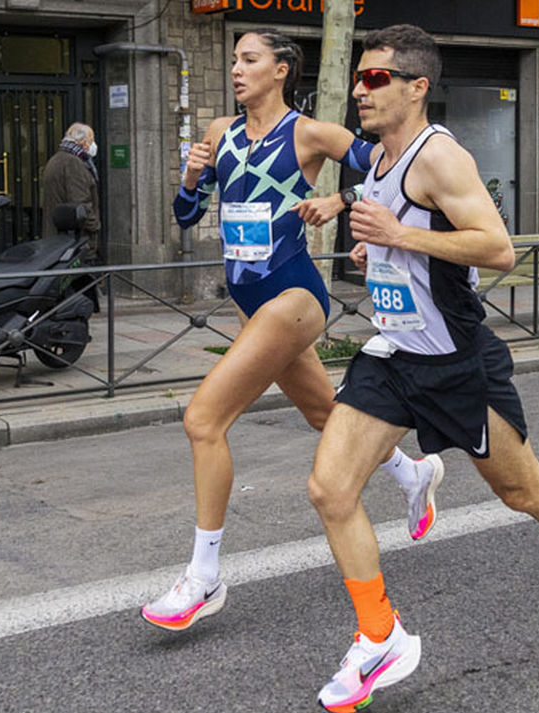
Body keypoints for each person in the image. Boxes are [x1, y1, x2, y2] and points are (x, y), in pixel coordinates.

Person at [305, 25, 539, 713]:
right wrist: (384, 256)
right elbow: (410, 248)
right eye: (359, 79)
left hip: (456, 362)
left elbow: (497, 248)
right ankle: (380, 635)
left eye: (375, 80)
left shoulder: (439, 156)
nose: (361, 92)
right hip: (394, 353)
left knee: (524, 490)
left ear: (417, 86)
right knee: (329, 488)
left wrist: (398, 237)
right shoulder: (380, 159)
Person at [142, 29, 443, 632]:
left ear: (281, 70)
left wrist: (341, 199)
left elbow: (387, 164)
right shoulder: (219, 133)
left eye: (248, 60)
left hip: (296, 294)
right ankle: (413, 473)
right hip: (249, 301)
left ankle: (204, 576)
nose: (235, 69)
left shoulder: (308, 133)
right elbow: (186, 217)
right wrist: (189, 178)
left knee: (204, 419)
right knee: (324, 415)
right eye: (233, 60)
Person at [41, 122, 101, 241]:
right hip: (73, 238)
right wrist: (94, 226)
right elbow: (80, 201)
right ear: (83, 142)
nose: (93, 145)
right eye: (91, 140)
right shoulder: (73, 163)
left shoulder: (56, 159)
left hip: (58, 234)